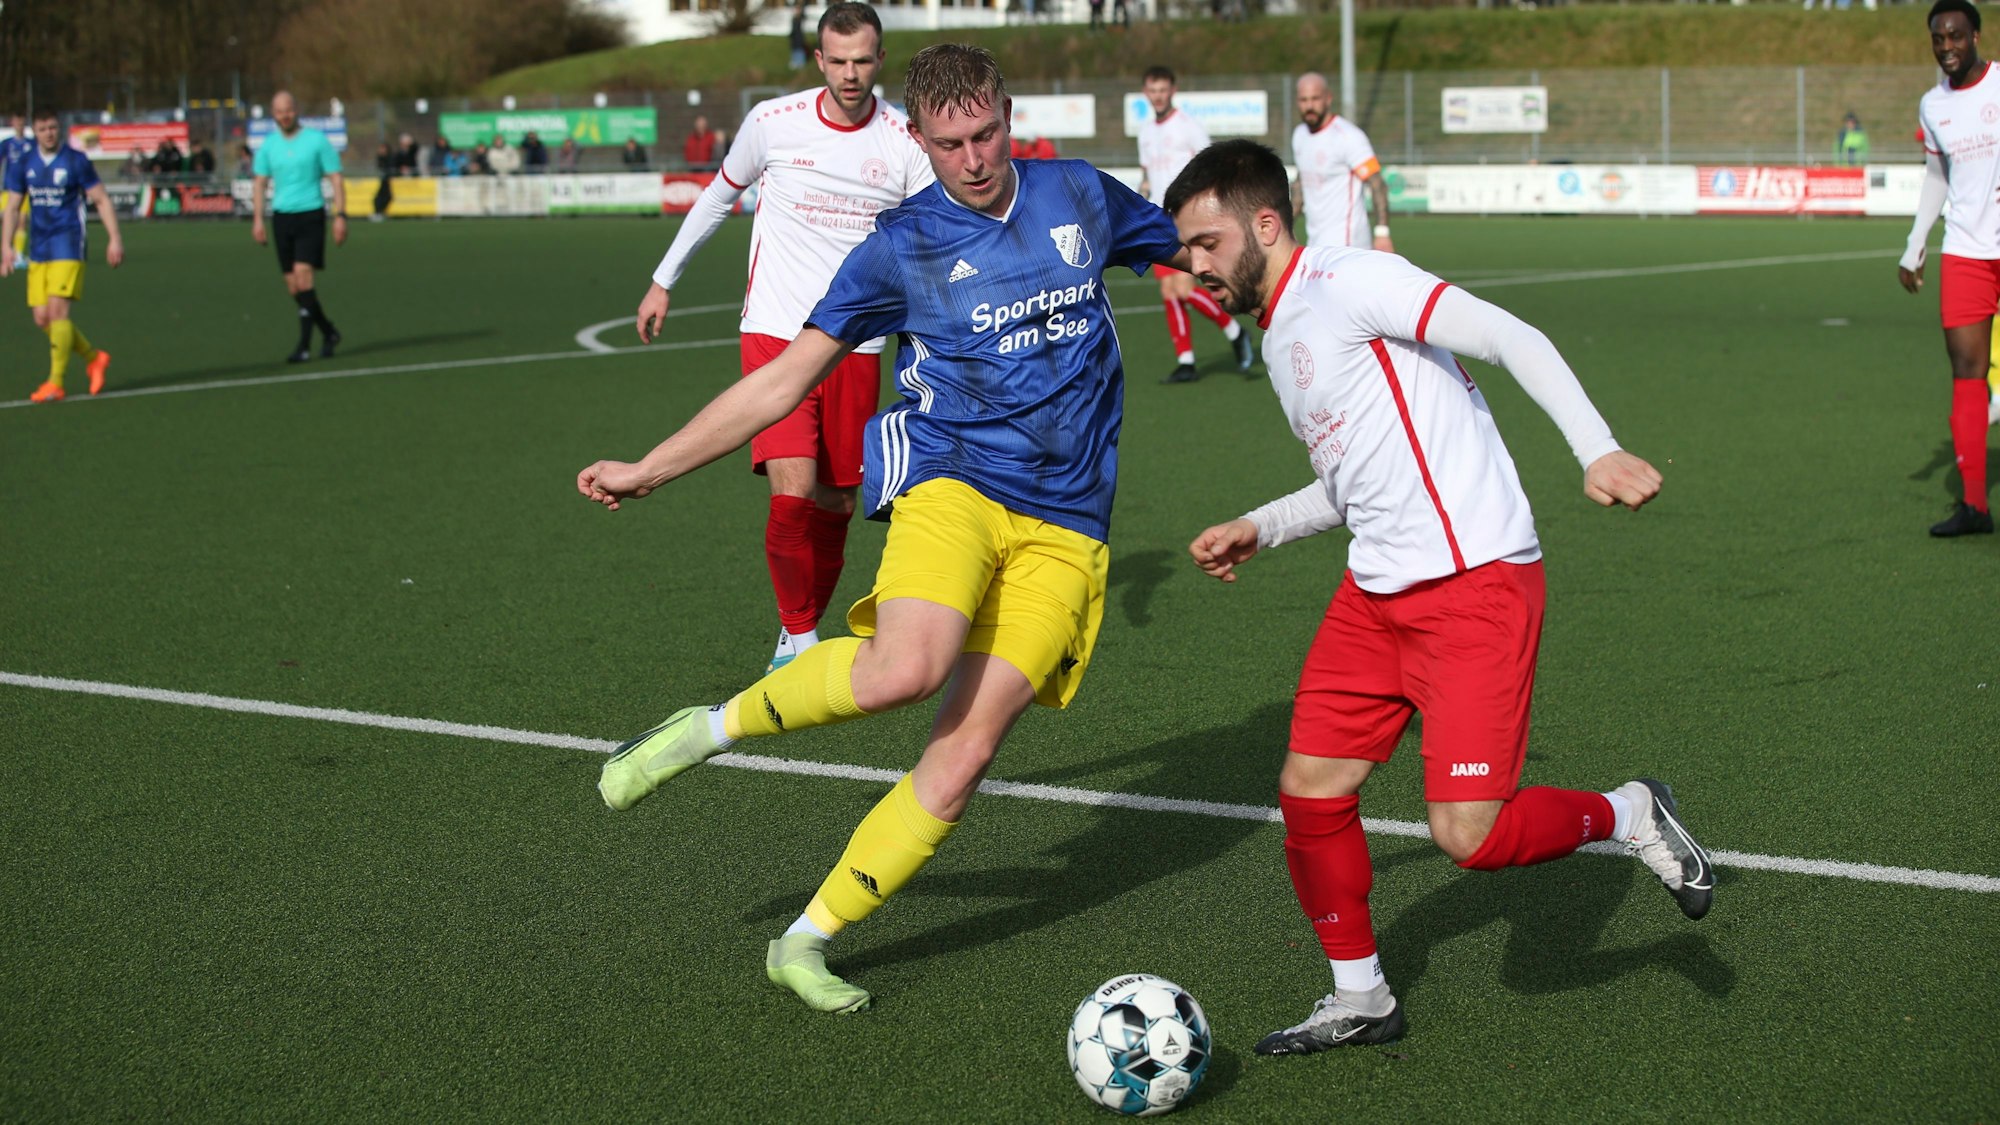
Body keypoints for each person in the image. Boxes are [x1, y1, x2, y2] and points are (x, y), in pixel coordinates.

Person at [579, 43, 1190, 1015]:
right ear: (921, 141)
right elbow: (783, 380)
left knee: (966, 752)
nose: (973, 160)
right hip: (955, 481)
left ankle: (803, 940)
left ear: (1007, 116)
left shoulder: (1076, 192)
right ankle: (704, 730)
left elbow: (1195, 248)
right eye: (948, 144)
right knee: (905, 668)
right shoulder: (900, 245)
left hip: (1070, 521)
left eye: (984, 134)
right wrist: (651, 467)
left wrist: (1271, 276)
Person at [1164, 139, 1712, 1053]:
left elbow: (1510, 335)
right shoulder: (1282, 331)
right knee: (1309, 792)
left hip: (1474, 583)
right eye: (1187, 248)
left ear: (1264, 224)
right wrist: (1263, 524)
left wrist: (1597, 448)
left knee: (1471, 836)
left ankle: (1630, 811)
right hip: (1376, 592)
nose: (1194, 265)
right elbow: (1353, 481)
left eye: (1207, 242)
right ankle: (1361, 995)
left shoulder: (1350, 280)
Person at [636, 1, 935, 676]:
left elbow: (927, 242)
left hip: (853, 344)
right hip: (773, 330)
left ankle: (791, 632)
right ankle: (801, 644)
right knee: (791, 494)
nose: (850, 74)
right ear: (819, 59)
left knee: (835, 503)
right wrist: (662, 280)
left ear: (880, 60)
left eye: (863, 61)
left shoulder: (902, 142)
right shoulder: (772, 122)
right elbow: (718, 196)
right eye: (839, 61)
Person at [1899, 0, 1997, 536]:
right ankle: (1974, 506)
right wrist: (1915, 244)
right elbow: (1937, 177)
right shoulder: (1933, 105)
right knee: (1966, 373)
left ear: (1976, 35)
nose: (1947, 47)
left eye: (1956, 36)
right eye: (1939, 38)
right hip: (1964, 250)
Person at [1138, 65, 1252, 384]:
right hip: (1156, 218)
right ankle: (1186, 360)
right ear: (1146, 93)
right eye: (1153, 90)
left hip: (1185, 216)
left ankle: (1234, 330)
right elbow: (1147, 176)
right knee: (1169, 292)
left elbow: (1210, 169)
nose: (1158, 96)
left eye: (1163, 90)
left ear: (1173, 91)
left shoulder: (1189, 127)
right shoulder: (1146, 132)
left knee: (1184, 289)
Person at [0, 110, 123, 403]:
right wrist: (5, 246)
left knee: (57, 313)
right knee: (42, 318)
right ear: (35, 131)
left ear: (61, 129)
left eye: (53, 128)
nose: (49, 133)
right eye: (43, 129)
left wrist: (114, 238)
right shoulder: (24, 162)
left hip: (68, 242)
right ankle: (94, 358)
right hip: (39, 246)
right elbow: (13, 207)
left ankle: (56, 382)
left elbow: (101, 199)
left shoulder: (76, 161)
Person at [251, 91, 345, 364]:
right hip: (282, 217)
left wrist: (341, 215)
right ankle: (329, 332)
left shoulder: (316, 140)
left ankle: (304, 346)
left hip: (310, 214)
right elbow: (260, 183)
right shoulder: (269, 145)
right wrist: (258, 219)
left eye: (289, 110)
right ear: (273, 114)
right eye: (280, 111)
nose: (285, 116)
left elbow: (336, 178)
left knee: (304, 278)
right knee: (294, 286)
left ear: (297, 109)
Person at [1292, 72, 1393, 252]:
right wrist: (1285, 226)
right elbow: (1300, 186)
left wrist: (1382, 233)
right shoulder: (1299, 135)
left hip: (1348, 245)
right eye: (1303, 100)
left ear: (1328, 98)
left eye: (1315, 99)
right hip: (1315, 244)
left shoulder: (1347, 136)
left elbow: (1377, 183)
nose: (1309, 106)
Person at [1, 114, 32, 269]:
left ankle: (18, 255)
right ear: (12, 123)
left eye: (21, 121)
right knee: (6, 220)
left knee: (22, 220)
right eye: (16, 121)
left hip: (25, 190)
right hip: (8, 189)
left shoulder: (31, 143)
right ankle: (6, 251)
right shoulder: (6, 144)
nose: (19, 124)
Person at [372, 142, 395, 220]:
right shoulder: (380, 158)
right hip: (382, 180)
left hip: (387, 181)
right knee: (379, 197)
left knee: (386, 196)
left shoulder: (390, 158)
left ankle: (380, 212)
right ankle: (378, 212)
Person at [789, 3, 810, 70]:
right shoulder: (794, 18)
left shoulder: (801, 18)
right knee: (795, 48)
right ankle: (795, 61)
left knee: (800, 49)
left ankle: (800, 62)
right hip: (794, 37)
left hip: (799, 36)